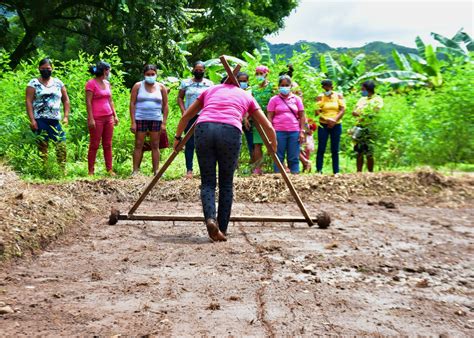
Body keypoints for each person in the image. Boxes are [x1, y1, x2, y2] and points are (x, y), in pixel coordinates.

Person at [173, 80, 277, 242]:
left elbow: (187, 115)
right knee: (226, 183)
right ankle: (222, 228)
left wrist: (177, 137)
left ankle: (210, 219)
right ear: (237, 83)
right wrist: (273, 145)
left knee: (207, 182)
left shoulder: (211, 90)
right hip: (230, 131)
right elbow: (268, 127)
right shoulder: (245, 95)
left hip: (204, 129)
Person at [26, 58, 70, 171]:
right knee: (43, 145)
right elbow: (28, 101)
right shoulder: (33, 83)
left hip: (55, 120)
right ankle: (44, 169)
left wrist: (66, 116)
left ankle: (62, 170)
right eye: (43, 68)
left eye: (48, 68)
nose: (46, 70)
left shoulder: (58, 83)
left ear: (52, 69)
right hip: (40, 119)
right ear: (39, 69)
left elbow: (66, 100)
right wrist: (32, 120)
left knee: (61, 144)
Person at [129, 64, 169, 175]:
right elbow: (132, 103)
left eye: (152, 74)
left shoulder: (161, 87)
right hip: (140, 118)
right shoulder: (138, 86)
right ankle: (135, 170)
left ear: (156, 74)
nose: (150, 76)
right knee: (138, 144)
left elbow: (165, 105)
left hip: (156, 119)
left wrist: (164, 122)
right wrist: (133, 122)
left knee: (155, 145)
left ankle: (156, 170)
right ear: (144, 75)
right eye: (148, 74)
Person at [177, 61, 214, 179]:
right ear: (193, 70)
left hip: (204, 116)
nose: (198, 72)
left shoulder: (209, 84)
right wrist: (184, 112)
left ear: (204, 71)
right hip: (189, 116)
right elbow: (180, 98)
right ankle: (189, 170)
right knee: (189, 143)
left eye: (201, 70)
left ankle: (205, 170)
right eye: (196, 69)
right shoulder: (185, 83)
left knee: (205, 143)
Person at [85, 61, 119, 176]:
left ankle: (109, 169)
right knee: (94, 144)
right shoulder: (91, 83)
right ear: (105, 70)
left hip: (108, 117)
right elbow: (88, 102)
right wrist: (90, 118)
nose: (109, 72)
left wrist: (115, 115)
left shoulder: (107, 83)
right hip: (96, 118)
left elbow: (110, 100)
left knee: (108, 144)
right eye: (109, 70)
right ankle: (91, 171)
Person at [267, 75, 306, 174]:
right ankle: (277, 177)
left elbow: (302, 116)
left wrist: (302, 131)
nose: (284, 87)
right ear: (279, 86)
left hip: (294, 131)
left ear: (290, 86)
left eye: (286, 85)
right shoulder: (274, 100)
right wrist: (270, 132)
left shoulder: (297, 99)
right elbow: (269, 117)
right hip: (278, 131)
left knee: (293, 156)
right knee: (278, 156)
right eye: (282, 85)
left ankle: (295, 176)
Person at [351, 80, 384, 172]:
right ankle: (359, 172)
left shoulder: (377, 99)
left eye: (363, 88)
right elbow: (354, 111)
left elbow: (375, 111)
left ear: (367, 88)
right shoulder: (362, 99)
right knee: (359, 151)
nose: (361, 90)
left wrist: (361, 114)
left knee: (369, 151)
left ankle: (370, 172)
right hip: (359, 126)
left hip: (370, 127)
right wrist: (360, 114)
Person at [315, 79, 346, 175]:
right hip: (323, 124)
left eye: (329, 87)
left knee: (335, 149)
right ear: (323, 87)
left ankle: (336, 171)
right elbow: (317, 111)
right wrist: (327, 119)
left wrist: (334, 120)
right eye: (325, 87)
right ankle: (319, 170)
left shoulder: (338, 96)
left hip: (336, 124)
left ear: (332, 87)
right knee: (321, 147)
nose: (328, 89)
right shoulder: (320, 97)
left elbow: (342, 109)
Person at [251, 65, 274, 175]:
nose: (259, 76)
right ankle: (258, 168)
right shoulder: (254, 89)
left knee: (273, 142)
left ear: (266, 74)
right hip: (257, 120)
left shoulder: (273, 87)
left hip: (272, 119)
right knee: (257, 144)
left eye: (261, 73)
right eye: (257, 73)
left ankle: (279, 166)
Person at [238, 72, 254, 158]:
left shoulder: (251, 91)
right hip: (237, 120)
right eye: (240, 81)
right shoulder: (235, 91)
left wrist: (246, 117)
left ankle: (254, 164)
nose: (242, 83)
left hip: (249, 120)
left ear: (248, 81)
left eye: (244, 81)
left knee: (251, 143)